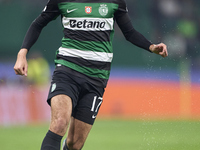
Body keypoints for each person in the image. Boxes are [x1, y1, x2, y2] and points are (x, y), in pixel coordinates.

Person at [14, 0, 168, 150]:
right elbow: (38, 23)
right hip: (67, 70)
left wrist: (151, 47)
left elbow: (129, 33)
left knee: (75, 143)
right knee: (59, 122)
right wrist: (22, 53)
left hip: (97, 78)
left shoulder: (116, 2)